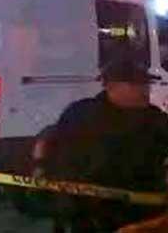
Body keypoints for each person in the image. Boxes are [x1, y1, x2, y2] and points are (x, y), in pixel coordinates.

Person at [34, 60, 168, 232]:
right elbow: (48, 138)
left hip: (138, 213)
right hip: (84, 213)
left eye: (146, 84)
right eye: (137, 85)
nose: (145, 90)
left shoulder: (155, 119)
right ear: (111, 86)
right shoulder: (81, 113)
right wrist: (40, 168)